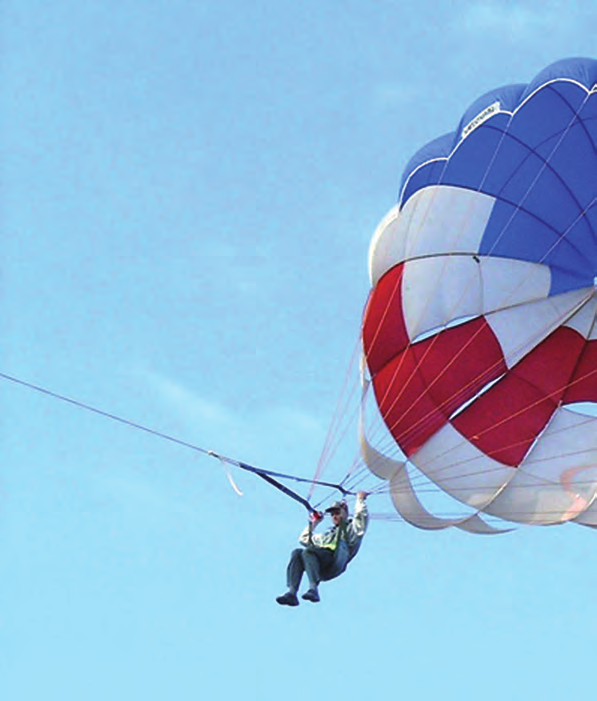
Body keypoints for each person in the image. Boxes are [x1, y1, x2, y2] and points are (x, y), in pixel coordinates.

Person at [276, 491, 369, 606]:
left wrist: (360, 500)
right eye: (333, 514)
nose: (335, 516)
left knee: (308, 552)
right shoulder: (327, 537)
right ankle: (291, 593)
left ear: (345, 513)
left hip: (336, 561)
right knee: (297, 552)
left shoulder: (352, 530)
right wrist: (314, 523)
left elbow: (361, 519)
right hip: (321, 567)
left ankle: (313, 589)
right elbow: (304, 539)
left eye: (337, 513)